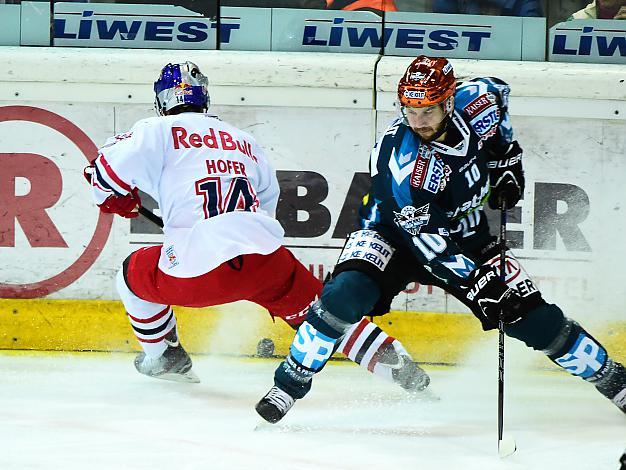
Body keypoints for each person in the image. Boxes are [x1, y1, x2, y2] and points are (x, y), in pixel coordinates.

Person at [256, 55, 626, 423]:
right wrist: (480, 283)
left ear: (449, 100)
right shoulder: (402, 163)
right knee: (343, 296)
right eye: (409, 111)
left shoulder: (480, 99)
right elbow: (427, 244)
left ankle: (614, 379)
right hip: (392, 235)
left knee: (531, 317)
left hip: (466, 234)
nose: (418, 122)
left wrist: (506, 163)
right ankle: (289, 383)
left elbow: (500, 99)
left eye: (427, 111)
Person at [85, 61, 429, 389]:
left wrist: (114, 197)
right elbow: (263, 207)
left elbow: (101, 172)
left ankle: (165, 356)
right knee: (327, 316)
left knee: (130, 276)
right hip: (265, 259)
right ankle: (403, 370)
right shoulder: (244, 141)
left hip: (198, 270)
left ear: (161, 100)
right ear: (203, 98)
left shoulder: (154, 129)